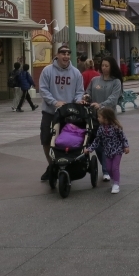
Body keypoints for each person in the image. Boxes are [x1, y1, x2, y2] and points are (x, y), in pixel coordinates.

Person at [37, 45, 85, 181]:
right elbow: (43, 89)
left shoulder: (76, 73)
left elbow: (79, 91)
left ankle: (66, 165)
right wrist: (54, 102)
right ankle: (52, 165)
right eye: (63, 53)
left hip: (69, 115)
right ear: (57, 55)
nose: (66, 56)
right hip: (50, 112)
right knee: (46, 140)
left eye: (68, 53)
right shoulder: (47, 71)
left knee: (66, 142)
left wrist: (77, 101)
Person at [87, 56, 124, 180]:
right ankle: (106, 167)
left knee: (107, 144)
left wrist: (101, 105)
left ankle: (106, 171)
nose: (104, 68)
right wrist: (86, 97)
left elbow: (113, 99)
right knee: (96, 143)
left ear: (112, 67)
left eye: (107, 66)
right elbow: (88, 92)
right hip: (95, 118)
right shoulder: (95, 80)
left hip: (109, 117)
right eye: (102, 65)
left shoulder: (116, 82)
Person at [88, 107, 129, 194]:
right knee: (108, 168)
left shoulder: (116, 127)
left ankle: (116, 184)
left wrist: (126, 146)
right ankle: (114, 179)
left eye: (99, 117)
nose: (97, 118)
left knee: (115, 167)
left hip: (117, 150)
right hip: (107, 151)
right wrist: (90, 149)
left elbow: (123, 137)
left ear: (105, 118)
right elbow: (97, 140)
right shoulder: (101, 129)